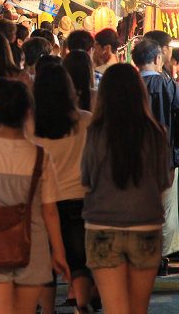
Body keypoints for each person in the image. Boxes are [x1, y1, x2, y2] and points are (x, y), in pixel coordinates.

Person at [0, 79, 69, 314]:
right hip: (33, 244)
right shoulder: (41, 156)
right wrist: (58, 251)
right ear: (28, 112)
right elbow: (50, 210)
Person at [82, 63, 171, 314]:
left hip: (102, 227)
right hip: (146, 225)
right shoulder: (156, 133)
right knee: (138, 309)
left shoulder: (95, 133)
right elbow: (163, 182)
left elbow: (86, 179)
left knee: (115, 309)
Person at [32, 62, 93, 314]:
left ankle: (48, 310)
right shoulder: (86, 120)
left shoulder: (31, 126)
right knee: (79, 261)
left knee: (44, 263)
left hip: (42, 202)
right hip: (79, 198)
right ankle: (81, 305)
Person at [132, 38, 179, 266]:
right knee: (164, 210)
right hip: (164, 158)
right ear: (158, 58)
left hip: (133, 159)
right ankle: (158, 257)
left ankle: (141, 254)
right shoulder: (168, 85)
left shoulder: (127, 84)